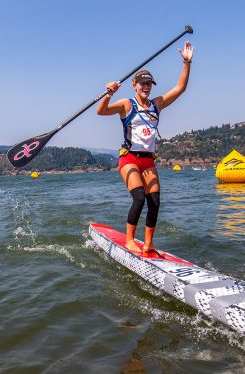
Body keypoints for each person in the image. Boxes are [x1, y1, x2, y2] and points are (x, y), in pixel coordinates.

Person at [97, 41, 194, 254]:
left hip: (148, 160)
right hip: (129, 158)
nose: (146, 86)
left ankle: (149, 244)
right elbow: (101, 111)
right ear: (134, 85)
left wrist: (186, 63)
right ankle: (130, 240)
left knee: (155, 202)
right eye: (142, 83)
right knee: (139, 198)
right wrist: (108, 93)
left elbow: (180, 88)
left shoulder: (156, 104)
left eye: (149, 83)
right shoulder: (127, 104)